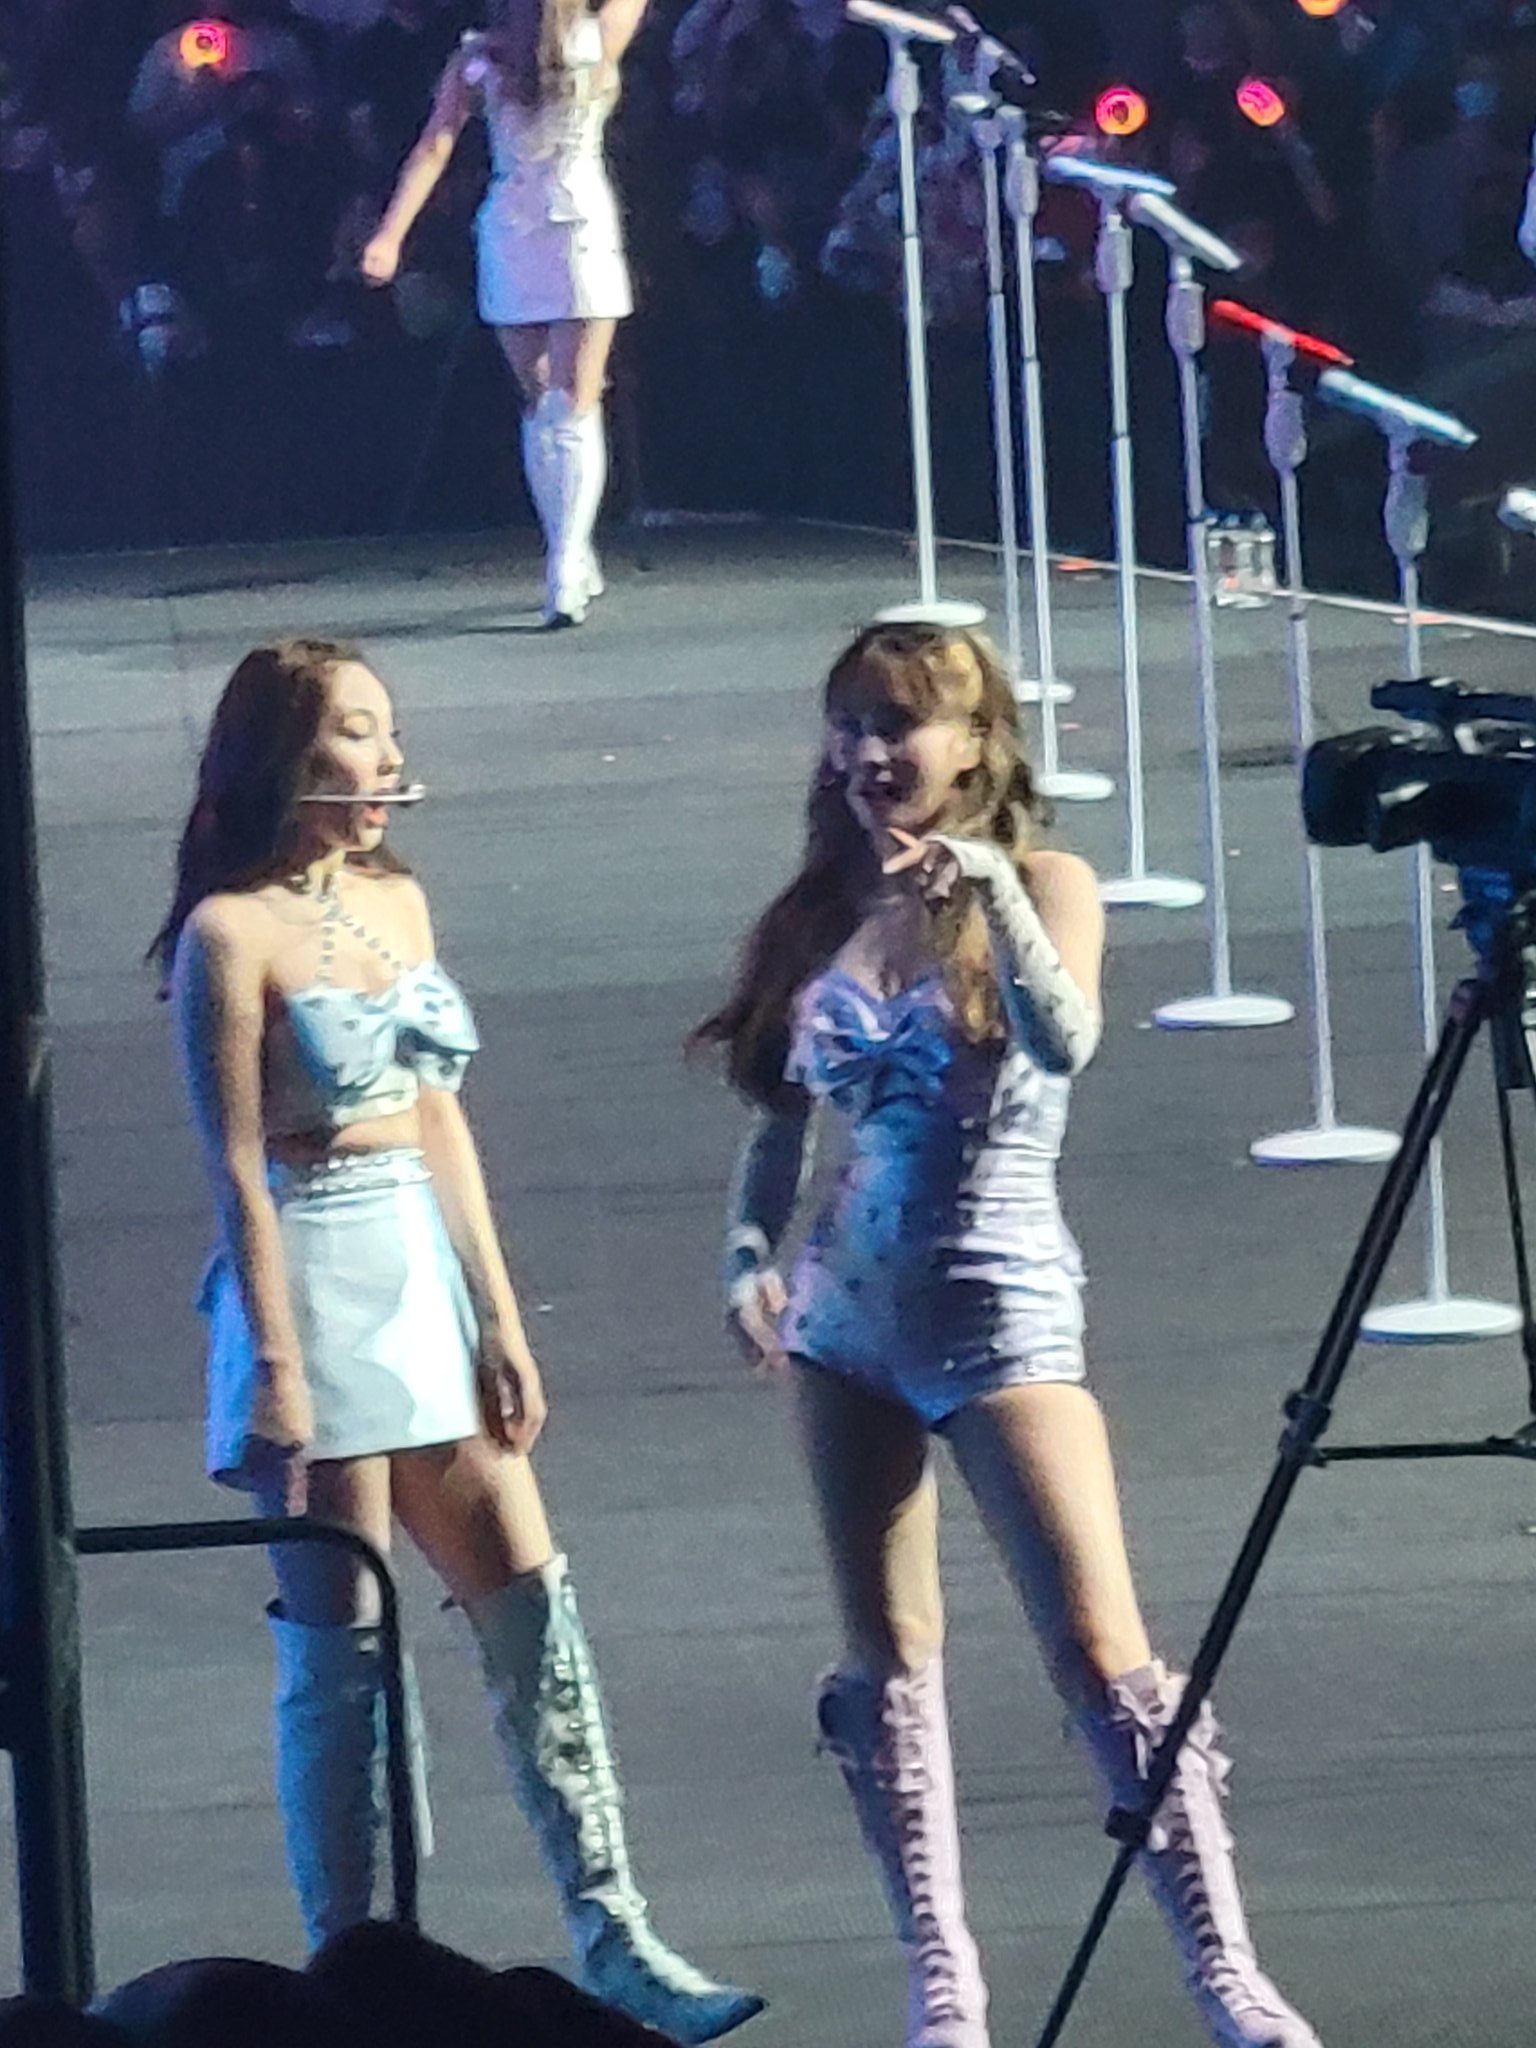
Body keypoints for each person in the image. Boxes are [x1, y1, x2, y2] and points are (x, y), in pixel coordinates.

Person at [695, 620, 1321, 2048]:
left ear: (976, 742)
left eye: (902, 724)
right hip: (846, 1319)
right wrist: (744, 1252)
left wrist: (985, 886)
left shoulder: (1045, 883)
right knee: (887, 1666)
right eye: (852, 723)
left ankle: (1228, 1972)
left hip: (1003, 1308)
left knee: (1103, 1651)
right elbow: (777, 1121)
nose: (871, 753)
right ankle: (944, 1982)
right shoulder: (815, 914)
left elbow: (1064, 1039)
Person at [151, 638, 761, 2047]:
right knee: (344, 1651)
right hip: (311, 1272)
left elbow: (437, 1114)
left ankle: (617, 1933)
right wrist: (278, 1360)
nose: (386, 757)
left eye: (388, 729)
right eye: (357, 731)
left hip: (416, 1266)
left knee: (531, 1603)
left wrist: (496, 1311)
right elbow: (235, 1163)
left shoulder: (396, 899)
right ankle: (356, 1970)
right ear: (288, 754)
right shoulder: (226, 935)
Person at [359, 0, 644, 626]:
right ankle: (569, 543)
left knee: (572, 399)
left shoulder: (594, 40)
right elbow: (434, 145)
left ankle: (565, 564)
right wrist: (391, 234)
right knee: (540, 399)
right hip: (514, 229)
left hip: (580, 224)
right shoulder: (477, 59)